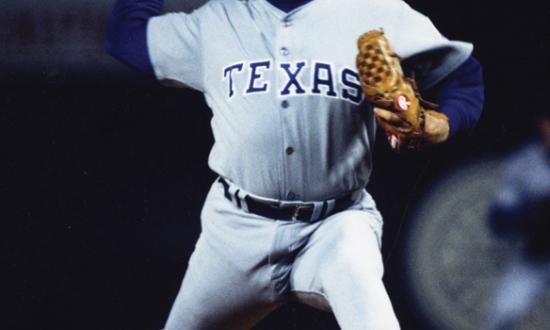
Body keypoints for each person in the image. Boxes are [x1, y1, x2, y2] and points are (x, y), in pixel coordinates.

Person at [105, 0, 484, 328]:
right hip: (236, 231)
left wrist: (442, 123)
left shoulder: (375, 10)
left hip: (336, 227)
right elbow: (128, 38)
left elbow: (465, 78)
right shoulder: (217, 20)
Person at [484, 110, 550, 330]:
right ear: (543, 125)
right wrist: (531, 218)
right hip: (535, 255)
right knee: (502, 312)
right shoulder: (525, 163)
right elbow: (498, 220)